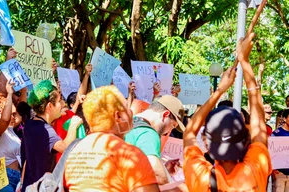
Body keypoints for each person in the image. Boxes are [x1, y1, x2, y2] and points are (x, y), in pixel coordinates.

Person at [183, 33, 271, 191]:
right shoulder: (255, 169)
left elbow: (189, 132)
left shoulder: (200, 176)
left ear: (206, 144)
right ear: (245, 141)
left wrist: (219, 90)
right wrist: (245, 61)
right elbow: (259, 128)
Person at [64, 85, 160, 192]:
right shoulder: (129, 154)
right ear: (118, 116)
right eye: (127, 108)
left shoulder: (74, 152)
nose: (132, 112)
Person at [21, 80, 77, 191]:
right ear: (49, 106)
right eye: (59, 101)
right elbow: (65, 147)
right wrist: (73, 125)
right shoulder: (45, 131)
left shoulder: (30, 124)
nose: (63, 104)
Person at [124, 95, 185, 185]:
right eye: (172, 125)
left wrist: (165, 170)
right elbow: (158, 175)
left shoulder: (128, 123)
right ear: (165, 115)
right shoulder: (148, 133)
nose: (169, 132)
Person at [0, 81, 21, 192]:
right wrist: (9, 94)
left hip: (17, 178)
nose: (13, 117)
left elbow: (22, 113)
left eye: (14, 114)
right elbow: (5, 120)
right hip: (3, 178)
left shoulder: (11, 131)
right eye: (11, 113)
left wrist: (24, 90)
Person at [271, 109, 289, 192]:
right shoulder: (276, 133)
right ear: (285, 119)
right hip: (279, 174)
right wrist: (274, 170)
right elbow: (271, 152)